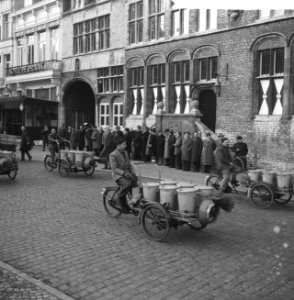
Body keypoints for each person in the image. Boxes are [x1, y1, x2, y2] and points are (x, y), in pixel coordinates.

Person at [109, 137, 138, 211]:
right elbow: (114, 169)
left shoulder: (125, 153)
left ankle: (134, 203)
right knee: (127, 184)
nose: (126, 146)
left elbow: (129, 165)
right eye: (124, 144)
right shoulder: (113, 155)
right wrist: (124, 173)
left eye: (125, 144)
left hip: (127, 174)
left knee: (135, 185)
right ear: (118, 145)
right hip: (118, 175)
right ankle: (118, 199)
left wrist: (133, 174)